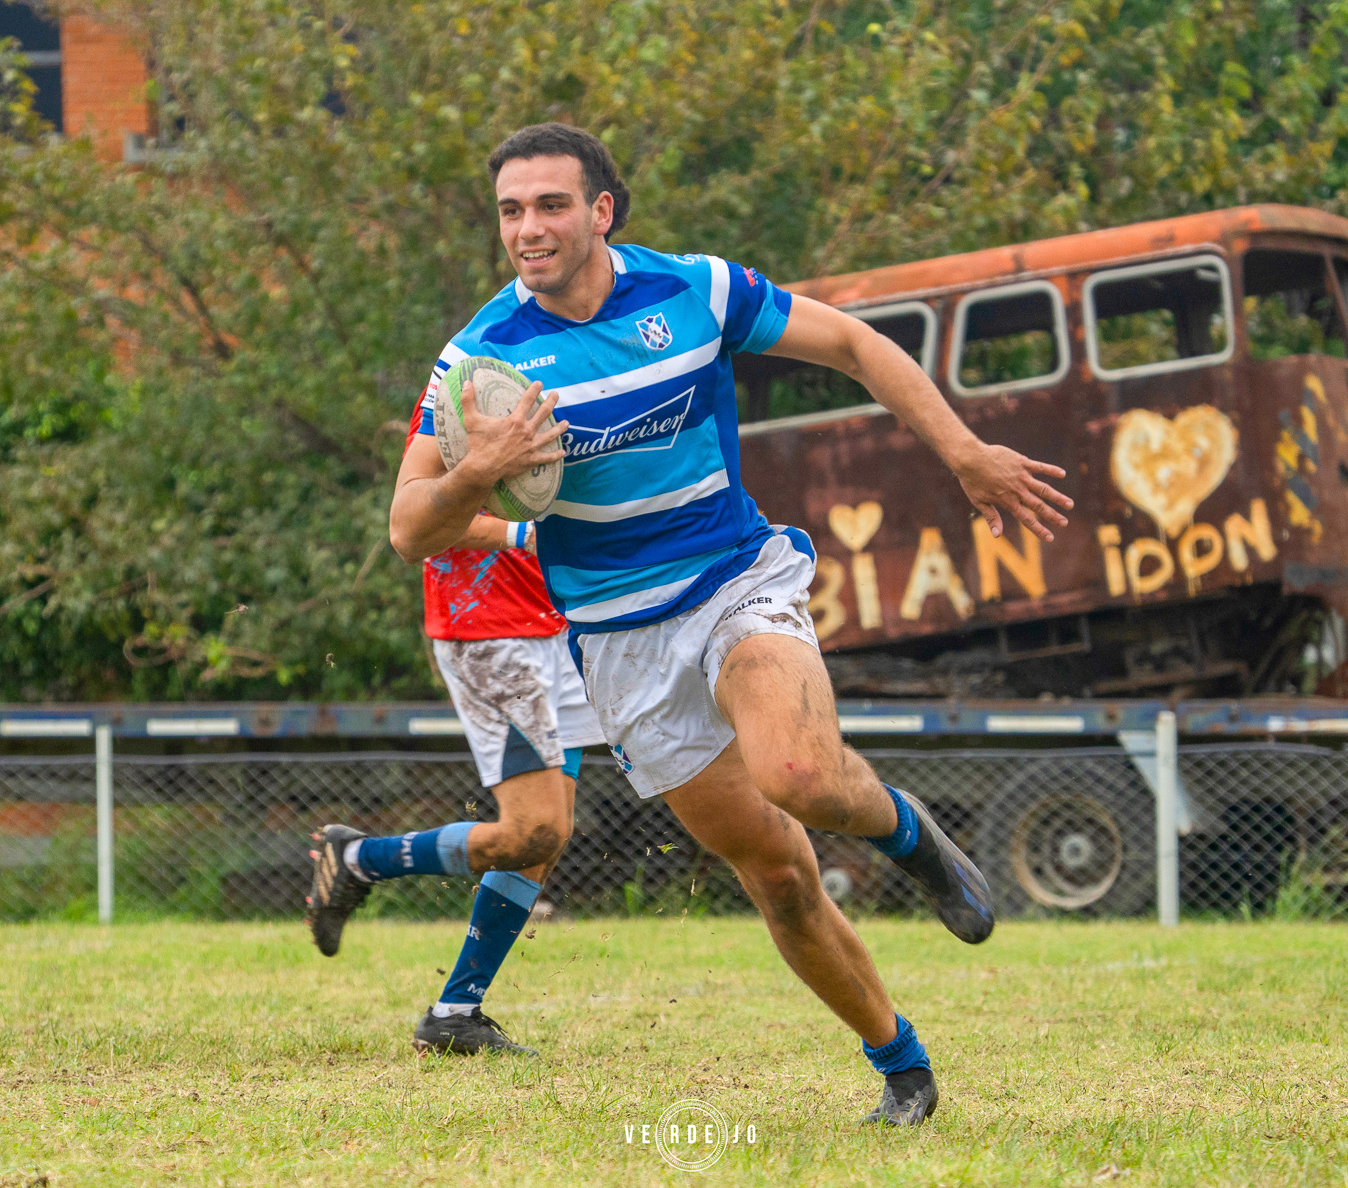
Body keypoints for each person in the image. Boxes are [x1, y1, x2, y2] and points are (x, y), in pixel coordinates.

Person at [386, 123, 1072, 1124]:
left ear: (601, 211)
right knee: (780, 875)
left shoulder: (695, 292)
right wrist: (484, 468)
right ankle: (903, 1069)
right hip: (619, 648)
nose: (528, 228)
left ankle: (910, 837)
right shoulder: (478, 362)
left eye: (550, 205)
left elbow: (852, 341)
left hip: (733, 585)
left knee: (800, 775)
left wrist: (961, 450)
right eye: (510, 210)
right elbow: (411, 528)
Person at [305, 401, 603, 1056]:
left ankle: (454, 1013)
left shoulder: (577, 376)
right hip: (490, 631)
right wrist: (518, 536)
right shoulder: (463, 390)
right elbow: (418, 520)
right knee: (533, 829)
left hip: (561, 625)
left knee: (544, 841)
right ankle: (358, 859)